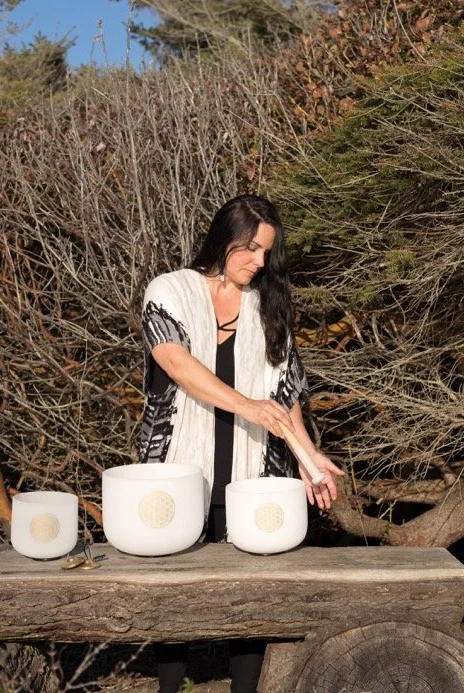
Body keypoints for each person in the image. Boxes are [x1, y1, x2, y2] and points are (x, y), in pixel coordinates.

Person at [137, 194, 344, 693]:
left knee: (251, 595)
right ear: (223, 238)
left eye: (266, 252)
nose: (258, 261)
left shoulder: (267, 305)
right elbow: (177, 366)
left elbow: (284, 391)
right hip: (176, 468)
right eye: (250, 248)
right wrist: (247, 406)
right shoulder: (168, 291)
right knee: (175, 594)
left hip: (252, 475)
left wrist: (307, 456)